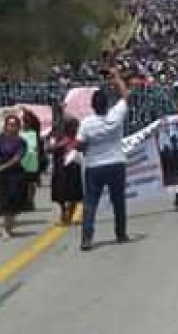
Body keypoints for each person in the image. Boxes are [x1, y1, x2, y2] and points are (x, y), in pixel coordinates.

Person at [76, 66, 130, 251]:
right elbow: (125, 96)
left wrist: (86, 146)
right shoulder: (115, 116)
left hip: (94, 166)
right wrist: (117, 78)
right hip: (116, 163)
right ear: (107, 104)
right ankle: (121, 233)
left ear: (92, 106)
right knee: (118, 200)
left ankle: (87, 237)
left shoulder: (86, 123)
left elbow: (80, 145)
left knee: (90, 203)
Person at [0, 115, 28, 239]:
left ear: (18, 127)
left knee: (11, 202)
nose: (11, 127)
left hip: (15, 175)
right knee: (1, 202)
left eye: (14, 124)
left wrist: (4, 166)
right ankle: (8, 224)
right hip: (0, 176)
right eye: (9, 124)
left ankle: (7, 229)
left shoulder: (21, 141)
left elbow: (17, 158)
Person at [48, 118, 84, 225]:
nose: (74, 129)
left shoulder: (80, 138)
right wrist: (61, 145)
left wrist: (77, 146)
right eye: (72, 126)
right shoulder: (58, 137)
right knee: (60, 194)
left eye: (76, 126)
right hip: (61, 170)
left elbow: (85, 149)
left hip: (75, 168)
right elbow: (49, 149)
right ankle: (64, 212)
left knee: (74, 195)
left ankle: (70, 215)